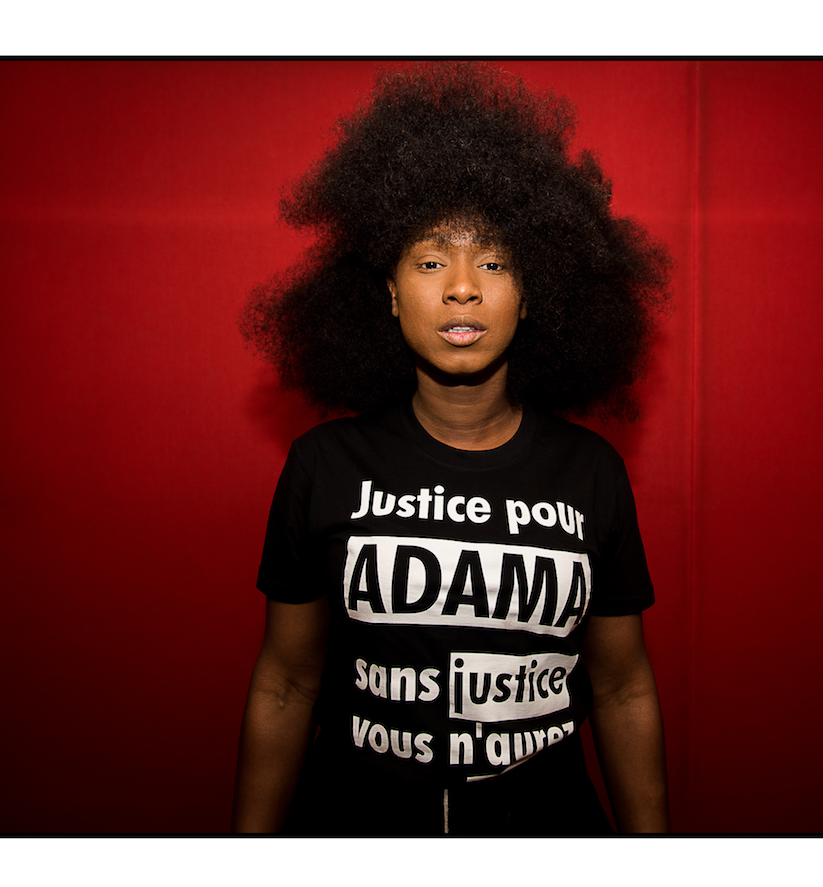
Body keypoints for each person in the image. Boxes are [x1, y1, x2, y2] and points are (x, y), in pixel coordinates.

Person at [232, 62, 671, 836]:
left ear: (532, 295)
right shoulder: (324, 465)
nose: (462, 287)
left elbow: (622, 687)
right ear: (390, 291)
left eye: (493, 262)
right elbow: (288, 683)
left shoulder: (591, 471)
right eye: (431, 261)